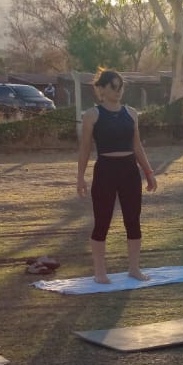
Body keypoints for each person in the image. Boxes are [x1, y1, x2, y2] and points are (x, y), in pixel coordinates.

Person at [76, 68, 158, 283]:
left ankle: (134, 268)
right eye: (113, 86)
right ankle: (100, 272)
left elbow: (137, 145)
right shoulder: (92, 115)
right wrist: (80, 176)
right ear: (101, 89)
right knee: (102, 220)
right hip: (105, 170)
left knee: (133, 219)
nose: (118, 90)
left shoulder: (131, 113)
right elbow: (84, 149)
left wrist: (149, 172)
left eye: (121, 86)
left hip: (129, 170)